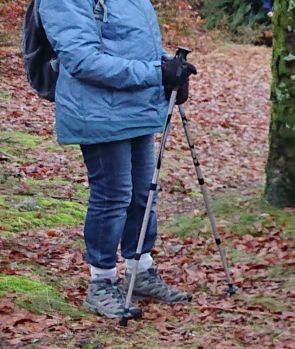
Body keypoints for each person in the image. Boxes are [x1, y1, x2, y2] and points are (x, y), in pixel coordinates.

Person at [40, 0, 198, 318]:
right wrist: (157, 72)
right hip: (96, 111)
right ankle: (101, 283)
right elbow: (82, 60)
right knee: (112, 197)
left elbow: (136, 46)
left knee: (143, 195)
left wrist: (170, 70)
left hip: (136, 106)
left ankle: (140, 273)